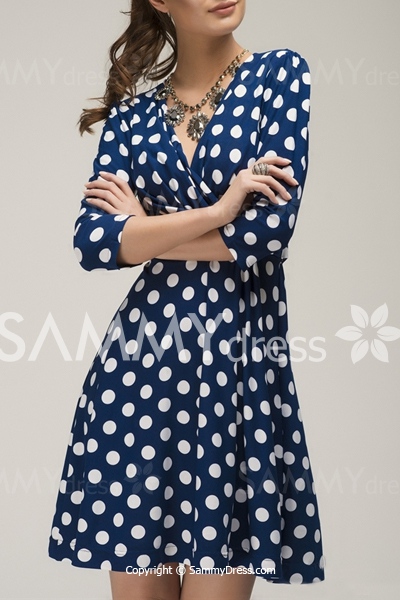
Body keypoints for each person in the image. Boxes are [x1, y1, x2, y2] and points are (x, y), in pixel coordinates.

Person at [48, 0, 326, 598]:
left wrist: (146, 231)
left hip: (238, 376)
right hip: (139, 374)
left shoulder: (279, 74)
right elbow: (94, 242)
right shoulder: (132, 117)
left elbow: (268, 233)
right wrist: (220, 211)